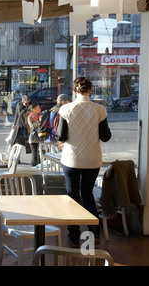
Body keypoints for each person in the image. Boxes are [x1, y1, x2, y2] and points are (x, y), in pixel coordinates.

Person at [56, 77, 111, 247]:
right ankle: (94, 232)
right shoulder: (99, 110)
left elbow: (61, 136)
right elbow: (105, 137)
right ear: (90, 90)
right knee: (87, 194)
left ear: (74, 91)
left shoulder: (65, 109)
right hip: (92, 160)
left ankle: (74, 235)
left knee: (72, 196)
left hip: (71, 159)